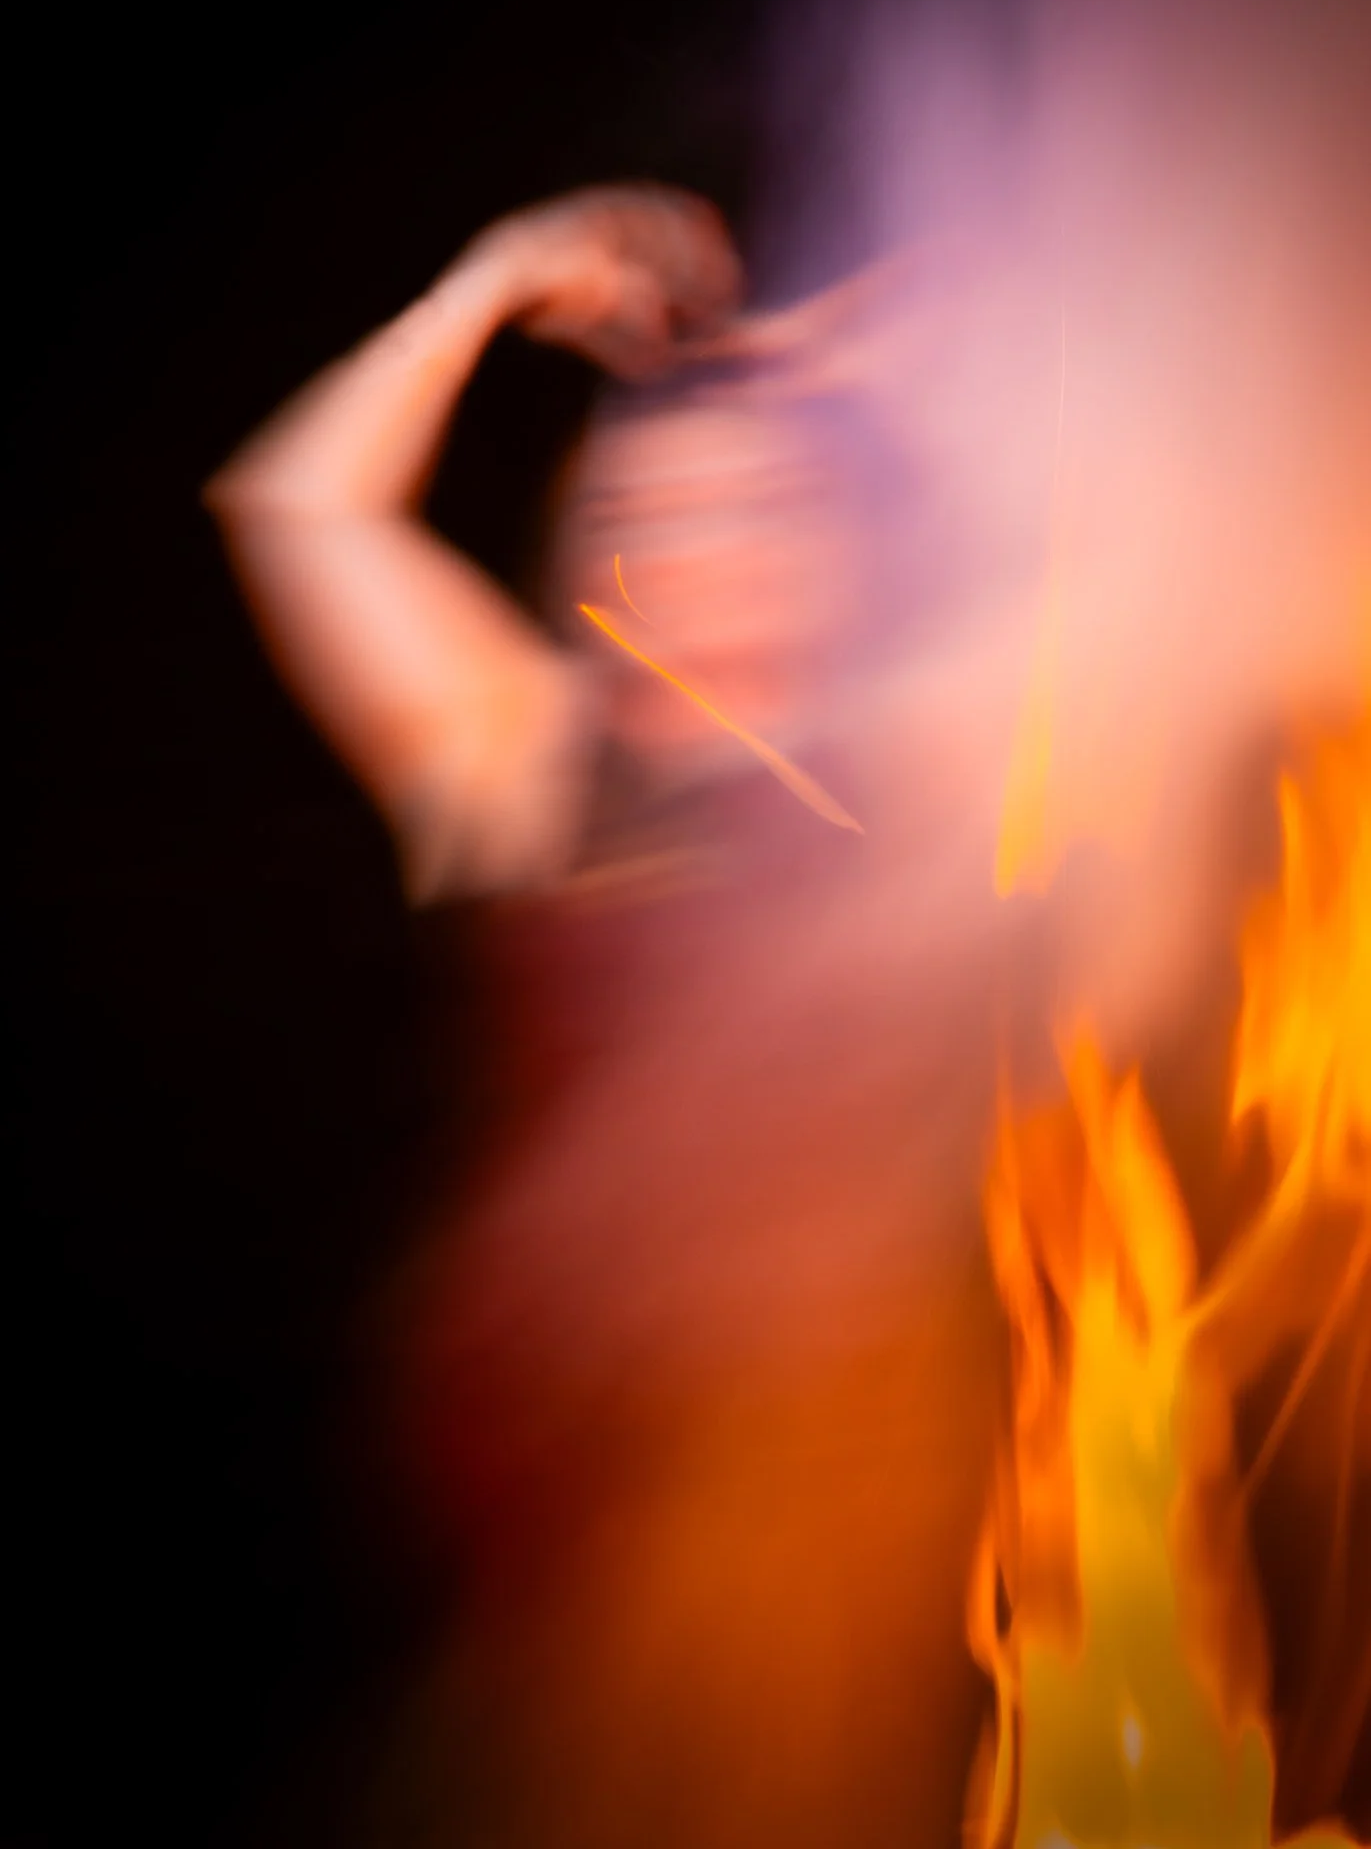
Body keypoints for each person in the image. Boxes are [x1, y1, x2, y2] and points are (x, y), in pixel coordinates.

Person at [207, 186, 1011, 1847]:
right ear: (591, 552)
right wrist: (480, 287)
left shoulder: (922, 771)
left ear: (829, 547)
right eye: (649, 509)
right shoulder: (531, 766)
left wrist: (816, 359)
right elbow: (295, 507)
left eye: (751, 508)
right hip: (596, 1505)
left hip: (880, 1501)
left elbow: (1107, 382)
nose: (699, 547)